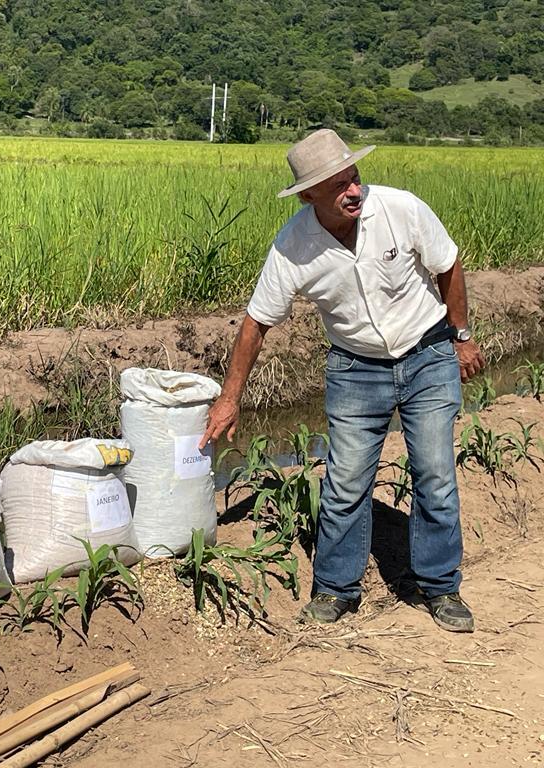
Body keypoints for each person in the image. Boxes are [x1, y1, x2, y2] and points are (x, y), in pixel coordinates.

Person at [201, 129, 485, 632]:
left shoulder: (400, 209)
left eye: (353, 177)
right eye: (337, 185)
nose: (353, 190)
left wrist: (460, 335)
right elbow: (256, 323)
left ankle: (440, 587)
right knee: (346, 484)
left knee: (435, 476)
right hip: (357, 370)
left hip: (427, 355)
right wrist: (229, 399)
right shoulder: (293, 247)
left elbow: (448, 263)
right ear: (309, 195)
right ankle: (335, 589)